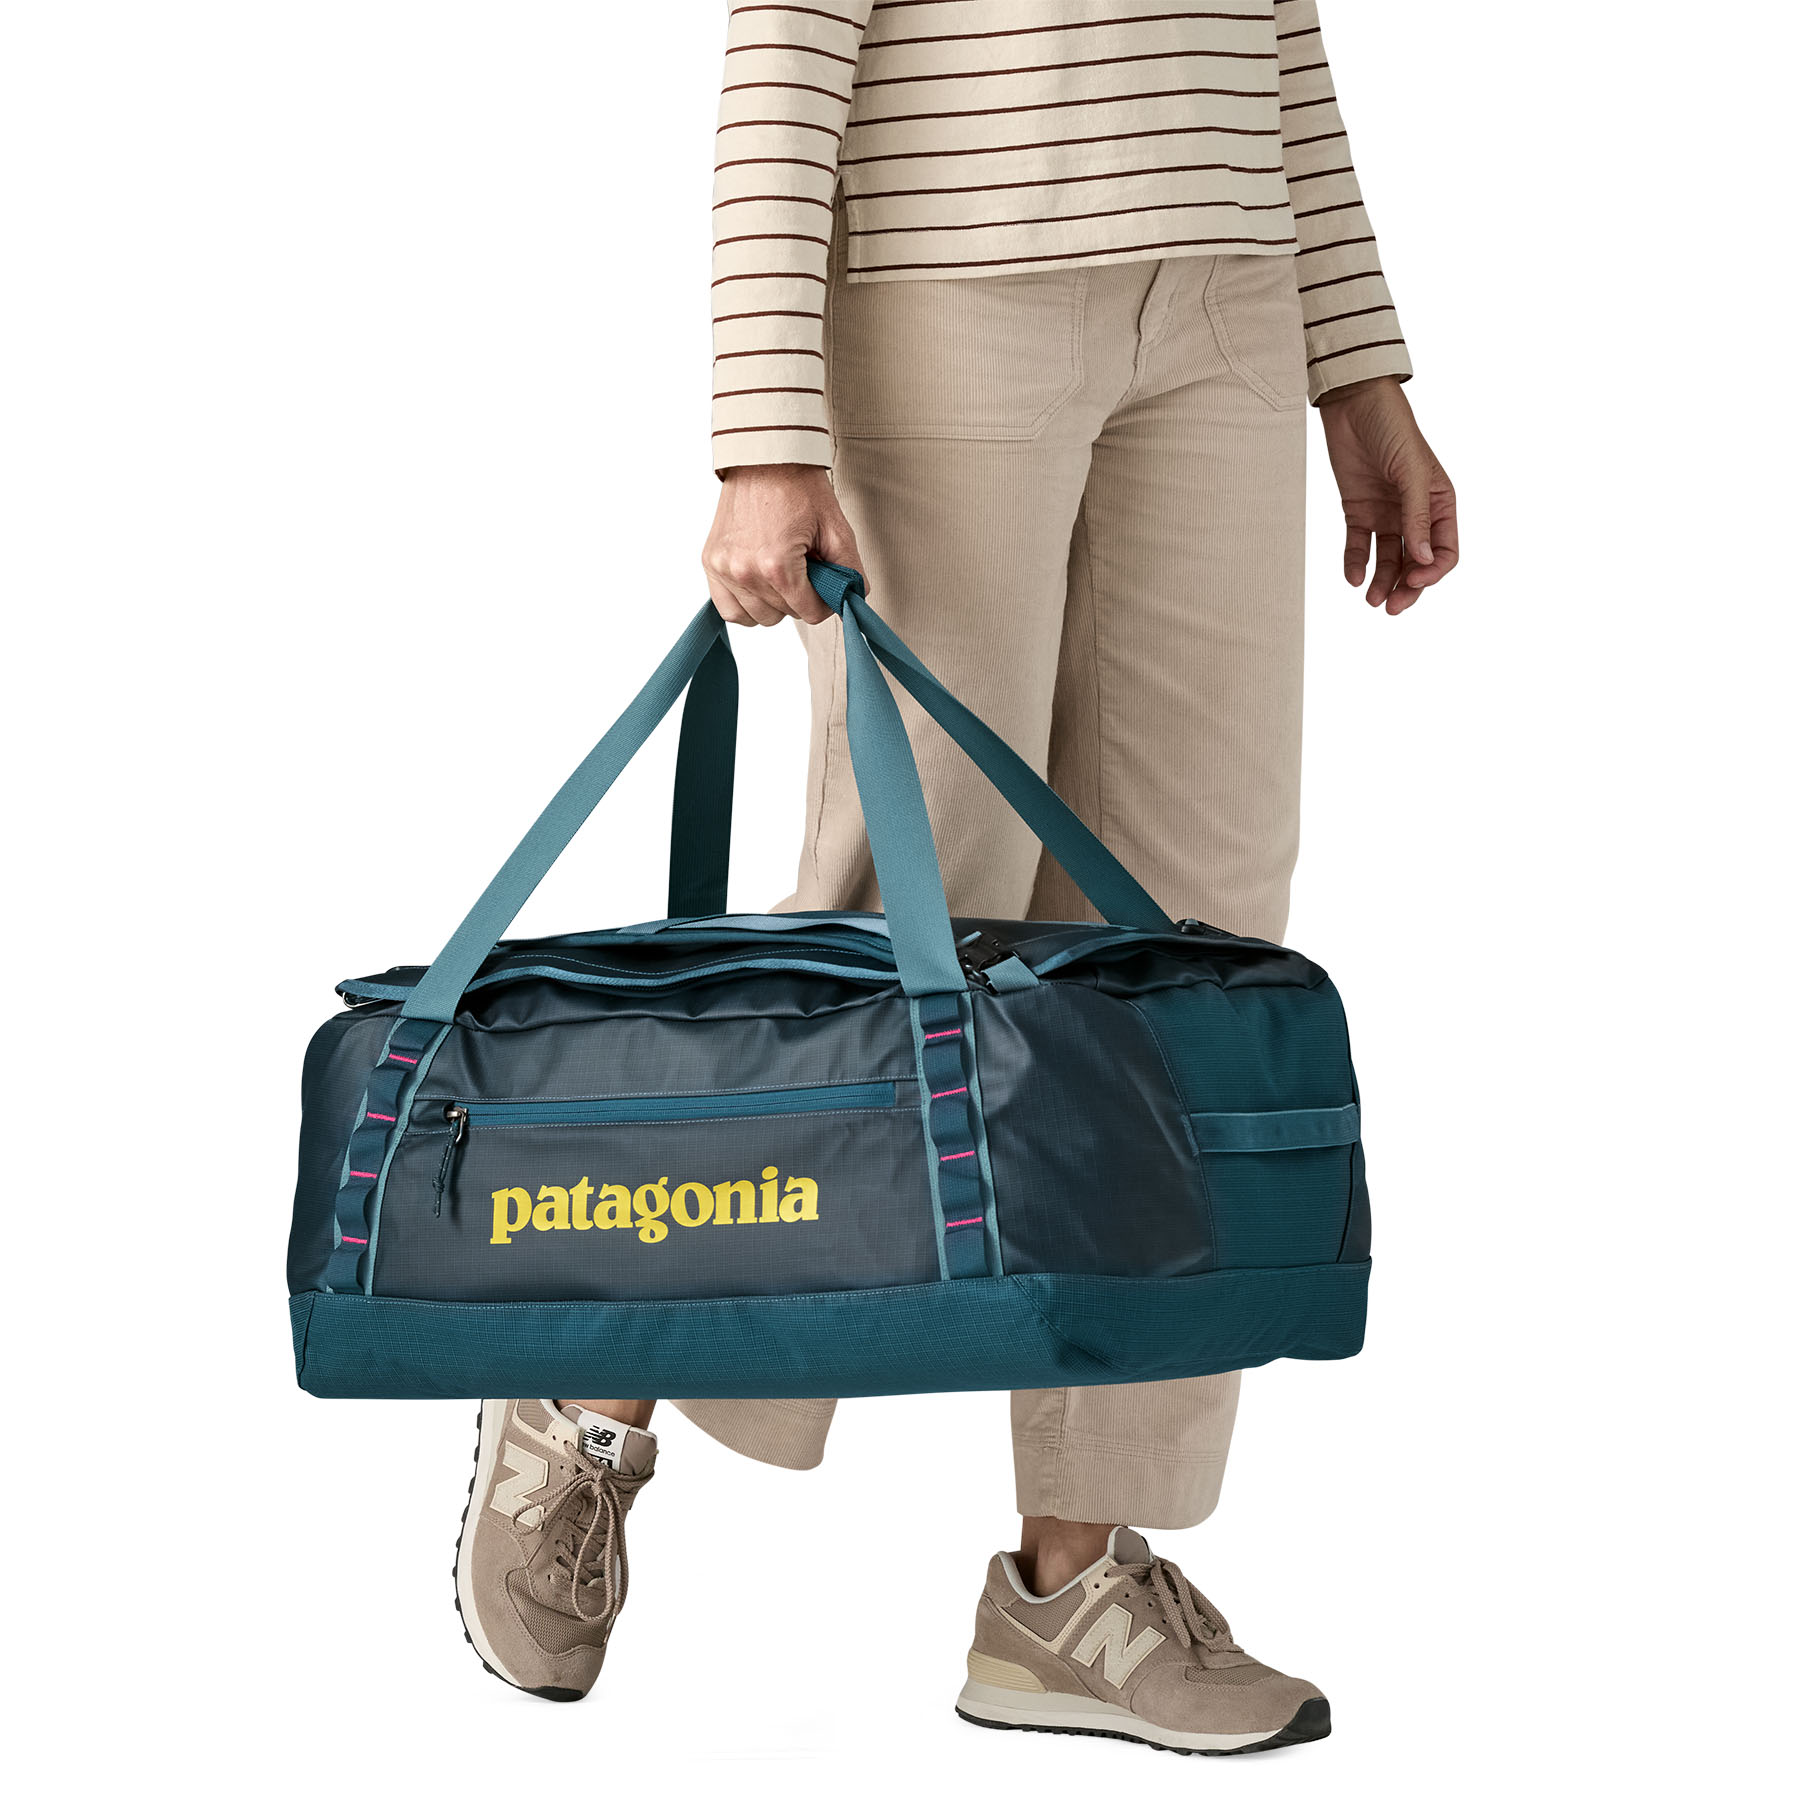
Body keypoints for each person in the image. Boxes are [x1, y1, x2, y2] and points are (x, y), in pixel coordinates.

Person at [454, 1, 1457, 1753]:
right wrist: (765, 434)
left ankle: (1076, 1587)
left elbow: (1280, 38)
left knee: (1187, 955)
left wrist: (1358, 370)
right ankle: (589, 1383)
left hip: (1232, 293)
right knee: (891, 925)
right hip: (950, 281)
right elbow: (783, 56)